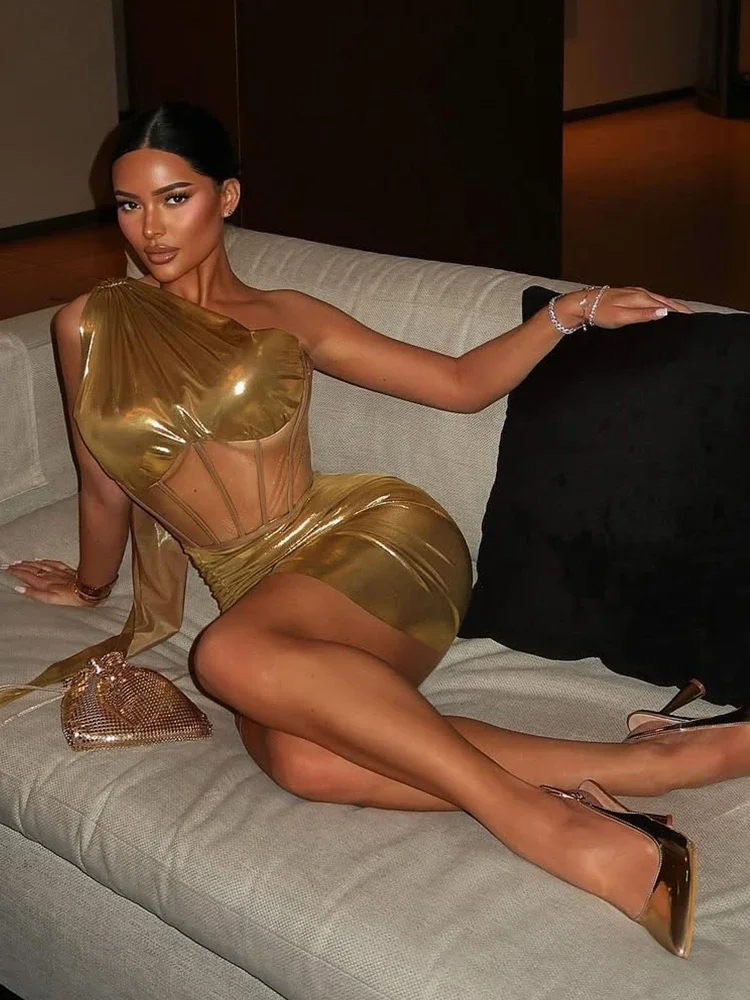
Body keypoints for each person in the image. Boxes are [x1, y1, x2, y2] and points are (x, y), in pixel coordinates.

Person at [2, 102, 745, 959]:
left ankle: (546, 825)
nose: (150, 229)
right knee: (302, 762)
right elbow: (103, 485)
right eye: (130, 205)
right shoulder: (86, 324)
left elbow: (459, 384)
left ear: (227, 197)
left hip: (372, 543)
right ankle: (650, 766)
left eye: (176, 198)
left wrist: (568, 312)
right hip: (261, 593)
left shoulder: (287, 315)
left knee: (225, 656)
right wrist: (92, 584)